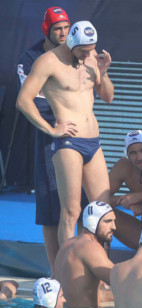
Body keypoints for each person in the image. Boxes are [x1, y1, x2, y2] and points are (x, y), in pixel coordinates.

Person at [16, 20, 114, 246]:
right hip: (69, 143)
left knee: (103, 211)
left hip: (93, 142)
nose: (88, 54)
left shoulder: (90, 57)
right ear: (71, 42)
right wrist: (50, 129)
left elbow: (108, 97)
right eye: (84, 50)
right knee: (71, 212)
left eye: (92, 49)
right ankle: (67, 275)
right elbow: (23, 100)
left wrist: (103, 72)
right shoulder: (48, 62)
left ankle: (99, 277)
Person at [16, 6, 86, 277]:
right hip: (50, 140)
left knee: (81, 205)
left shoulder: (76, 51)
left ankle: (83, 269)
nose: (64, 33)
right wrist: (53, 127)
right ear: (46, 30)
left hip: (80, 139)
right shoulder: (31, 58)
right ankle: (58, 272)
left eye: (66, 28)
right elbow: (29, 102)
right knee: (50, 209)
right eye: (58, 28)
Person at [54, 201, 115, 308]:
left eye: (114, 221)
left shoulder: (66, 245)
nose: (114, 227)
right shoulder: (91, 247)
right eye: (108, 221)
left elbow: (78, 290)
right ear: (92, 222)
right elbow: (121, 281)